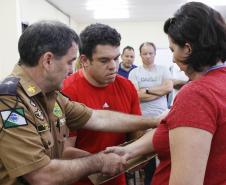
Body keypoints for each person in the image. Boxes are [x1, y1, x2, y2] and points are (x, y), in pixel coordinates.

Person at [0, 21, 164, 185]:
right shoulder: (10, 101)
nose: (72, 69)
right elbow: (41, 176)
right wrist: (99, 162)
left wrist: (157, 121)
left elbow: (97, 118)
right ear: (48, 60)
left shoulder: (51, 95)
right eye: (70, 62)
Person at [106, 2, 226, 185]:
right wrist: (130, 150)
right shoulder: (219, 82)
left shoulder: (196, 94)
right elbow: (171, 132)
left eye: (173, 49)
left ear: (187, 49)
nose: (172, 58)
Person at [62, 23, 141, 185]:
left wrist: (138, 153)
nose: (113, 66)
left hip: (117, 178)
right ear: (84, 60)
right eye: (104, 60)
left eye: (116, 58)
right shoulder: (66, 91)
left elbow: (136, 134)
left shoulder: (127, 87)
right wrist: (102, 161)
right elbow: (64, 151)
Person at [128, 42, 173, 185]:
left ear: (155, 54)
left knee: (164, 155)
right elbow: (135, 95)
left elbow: (168, 87)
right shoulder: (134, 72)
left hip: (162, 118)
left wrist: (146, 90)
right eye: (144, 53)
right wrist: (158, 92)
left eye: (150, 53)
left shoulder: (163, 69)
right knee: (147, 160)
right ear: (140, 55)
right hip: (142, 120)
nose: (148, 56)